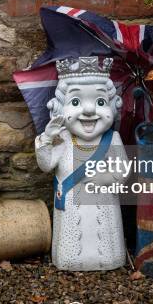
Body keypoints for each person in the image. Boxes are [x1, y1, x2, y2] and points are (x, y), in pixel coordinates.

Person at [35, 57, 129, 271]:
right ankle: (69, 259)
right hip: (71, 211)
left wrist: (106, 178)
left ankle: (109, 258)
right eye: (75, 102)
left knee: (105, 238)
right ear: (60, 108)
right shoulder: (62, 139)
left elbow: (122, 172)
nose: (88, 110)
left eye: (100, 102)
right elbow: (46, 165)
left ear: (113, 106)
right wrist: (47, 140)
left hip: (103, 208)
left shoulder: (112, 139)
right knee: (71, 242)